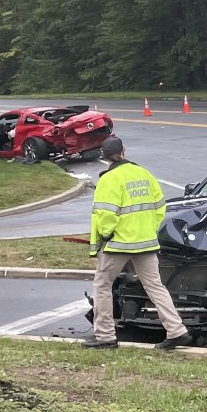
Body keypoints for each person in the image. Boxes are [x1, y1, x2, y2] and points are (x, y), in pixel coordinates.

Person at [84, 136, 187, 350]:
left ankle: (105, 337)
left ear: (104, 157)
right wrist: (148, 229)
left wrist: (107, 234)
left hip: (118, 244)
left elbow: (105, 215)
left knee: (102, 285)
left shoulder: (108, 179)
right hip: (146, 242)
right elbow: (160, 207)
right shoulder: (144, 174)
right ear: (124, 151)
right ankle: (177, 331)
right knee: (155, 286)